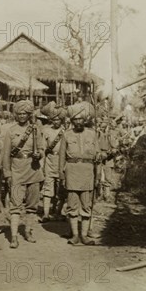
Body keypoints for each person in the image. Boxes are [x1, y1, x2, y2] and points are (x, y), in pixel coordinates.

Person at [2, 100, 44, 249]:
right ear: (16, 114)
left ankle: (28, 231)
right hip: (17, 171)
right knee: (15, 204)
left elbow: (42, 148)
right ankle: (13, 237)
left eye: (24, 114)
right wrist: (7, 174)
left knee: (32, 205)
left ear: (29, 115)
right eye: (19, 113)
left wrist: (39, 154)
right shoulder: (11, 131)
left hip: (33, 170)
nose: (21, 116)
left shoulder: (36, 130)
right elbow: (6, 154)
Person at [59, 104, 99, 245]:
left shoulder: (92, 134)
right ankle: (75, 235)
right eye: (75, 119)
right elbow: (61, 156)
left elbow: (98, 156)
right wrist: (61, 174)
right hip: (71, 171)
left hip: (88, 172)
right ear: (72, 121)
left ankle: (84, 236)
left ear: (85, 120)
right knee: (72, 205)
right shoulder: (66, 134)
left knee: (86, 205)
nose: (78, 122)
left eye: (80, 119)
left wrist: (98, 176)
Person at [39, 102, 67, 222]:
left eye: (58, 120)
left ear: (61, 120)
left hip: (62, 162)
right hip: (50, 161)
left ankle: (58, 212)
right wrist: (42, 164)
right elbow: (43, 149)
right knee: (47, 187)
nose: (56, 122)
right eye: (54, 120)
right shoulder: (46, 131)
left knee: (61, 188)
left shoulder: (66, 132)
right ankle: (45, 214)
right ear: (51, 120)